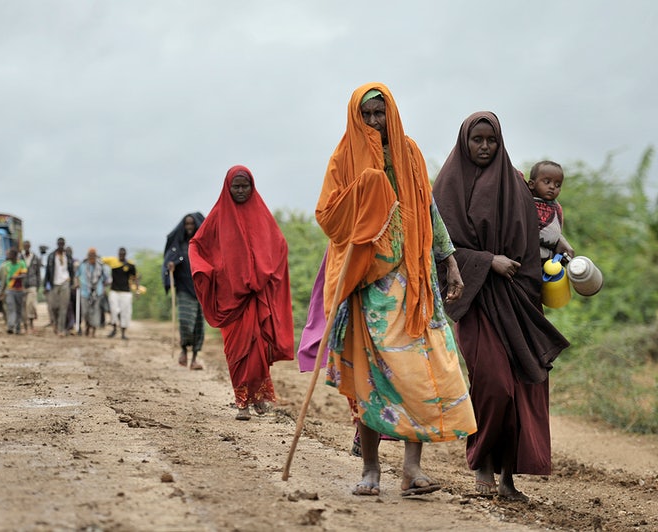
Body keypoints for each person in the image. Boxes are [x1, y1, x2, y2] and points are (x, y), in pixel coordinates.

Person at [315, 83, 476, 497]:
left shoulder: (410, 152)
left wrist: (450, 260)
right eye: (366, 115)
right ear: (355, 116)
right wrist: (366, 188)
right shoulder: (344, 156)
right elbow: (329, 217)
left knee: (419, 372)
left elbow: (427, 207)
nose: (373, 122)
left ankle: (412, 470)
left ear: (392, 114)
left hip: (415, 280)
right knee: (372, 377)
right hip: (368, 285)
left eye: (380, 114)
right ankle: (371, 470)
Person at [432, 111, 570, 502]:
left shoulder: (516, 185)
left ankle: (508, 476)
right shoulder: (447, 187)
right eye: (477, 139)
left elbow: (534, 244)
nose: (484, 146)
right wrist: (487, 260)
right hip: (476, 299)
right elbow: (440, 248)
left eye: (491, 140)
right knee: (493, 384)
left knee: (523, 388)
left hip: (519, 300)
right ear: (465, 141)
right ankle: (481, 465)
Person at [189, 165, 294, 421]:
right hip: (230, 298)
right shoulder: (217, 217)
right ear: (227, 187)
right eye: (235, 187)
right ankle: (242, 402)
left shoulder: (262, 214)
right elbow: (197, 245)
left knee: (258, 349)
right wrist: (208, 270)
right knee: (237, 353)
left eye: (244, 186)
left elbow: (279, 244)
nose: (240, 191)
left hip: (256, 296)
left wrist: (264, 270)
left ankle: (258, 398)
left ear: (252, 186)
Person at [163, 213, 206, 369]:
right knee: (185, 322)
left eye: (191, 224)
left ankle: (194, 358)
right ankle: (183, 350)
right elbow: (169, 259)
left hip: (201, 290)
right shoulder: (179, 244)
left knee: (198, 324)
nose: (189, 227)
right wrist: (171, 265)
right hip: (183, 288)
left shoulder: (202, 244)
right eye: (187, 224)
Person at [528, 160, 574, 261]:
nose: (552, 187)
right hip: (527, 256)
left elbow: (557, 232)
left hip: (549, 259)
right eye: (547, 182)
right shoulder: (525, 201)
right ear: (531, 184)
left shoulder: (557, 208)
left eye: (557, 185)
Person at [102, 247, 138, 340]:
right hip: (114, 291)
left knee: (125, 312)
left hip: (126, 292)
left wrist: (137, 290)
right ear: (118, 254)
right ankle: (114, 329)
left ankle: (123, 333)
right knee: (114, 310)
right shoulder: (113, 262)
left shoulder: (130, 265)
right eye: (120, 254)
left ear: (125, 254)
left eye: (123, 254)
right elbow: (100, 260)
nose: (121, 255)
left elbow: (135, 278)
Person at [44, 237, 74, 337]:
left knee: (63, 307)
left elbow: (71, 271)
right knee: (53, 307)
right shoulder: (51, 256)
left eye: (62, 243)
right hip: (54, 283)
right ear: (57, 244)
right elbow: (48, 271)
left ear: (64, 244)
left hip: (65, 283)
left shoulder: (68, 256)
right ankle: (55, 324)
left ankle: (61, 329)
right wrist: (45, 285)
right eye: (59, 243)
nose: (61, 245)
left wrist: (72, 283)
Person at [76, 248, 109, 337]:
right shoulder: (83, 265)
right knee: (85, 312)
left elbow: (106, 279)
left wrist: (104, 288)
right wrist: (77, 283)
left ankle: (93, 330)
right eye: (90, 254)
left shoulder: (100, 266)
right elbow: (76, 275)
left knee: (95, 312)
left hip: (97, 293)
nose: (92, 257)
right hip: (85, 292)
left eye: (93, 255)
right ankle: (87, 326)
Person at [1, 248, 27, 334]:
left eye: (10, 255)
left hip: (19, 290)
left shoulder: (21, 263)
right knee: (11, 308)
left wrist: (15, 277)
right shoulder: (6, 265)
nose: (8, 256)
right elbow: (5, 279)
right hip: (10, 290)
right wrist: (2, 291)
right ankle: (11, 325)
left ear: (14, 256)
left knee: (18, 310)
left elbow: (24, 274)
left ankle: (18, 328)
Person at [21, 240, 42, 333]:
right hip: (22, 285)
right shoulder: (19, 257)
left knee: (31, 305)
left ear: (30, 246)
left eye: (27, 246)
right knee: (23, 306)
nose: (26, 247)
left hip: (32, 284)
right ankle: (25, 326)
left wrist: (38, 284)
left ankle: (31, 324)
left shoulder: (35, 258)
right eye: (25, 246)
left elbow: (38, 272)